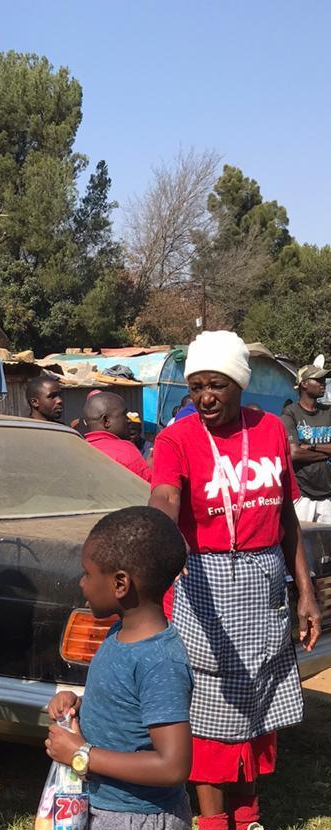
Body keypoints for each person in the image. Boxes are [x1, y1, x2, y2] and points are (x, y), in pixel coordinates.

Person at [149, 330, 322, 830]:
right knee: (210, 712)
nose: (205, 397)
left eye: (217, 385)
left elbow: (286, 517)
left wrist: (305, 592)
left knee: (260, 704)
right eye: (197, 386)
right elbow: (165, 496)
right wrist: (162, 536)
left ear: (240, 384)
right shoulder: (176, 438)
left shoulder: (269, 430)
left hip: (264, 583)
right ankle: (212, 822)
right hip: (203, 582)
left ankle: (248, 817)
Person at [45, 506, 192, 830]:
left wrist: (81, 753)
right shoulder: (118, 633)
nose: (82, 582)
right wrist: (77, 705)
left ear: (120, 584)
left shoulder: (160, 662)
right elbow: (125, 706)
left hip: (139, 818)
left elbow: (173, 765)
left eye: (88, 573)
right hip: (103, 804)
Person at [281, 364, 331, 523]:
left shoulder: (328, 412)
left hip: (328, 495)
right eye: (318, 380)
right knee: (303, 536)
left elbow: (300, 451)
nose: (323, 383)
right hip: (302, 495)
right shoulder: (291, 413)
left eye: (324, 380)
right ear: (304, 384)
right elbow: (294, 453)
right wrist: (327, 453)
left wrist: (311, 447)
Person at [83, 393, 152, 482]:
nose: (128, 420)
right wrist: (150, 469)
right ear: (106, 421)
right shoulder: (126, 452)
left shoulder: (79, 449)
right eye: (124, 414)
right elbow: (147, 487)